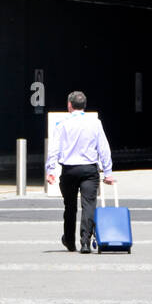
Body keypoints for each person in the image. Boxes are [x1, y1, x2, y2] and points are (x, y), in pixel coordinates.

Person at [46, 90, 114, 253]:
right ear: (84, 105)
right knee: (89, 205)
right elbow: (103, 148)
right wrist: (108, 172)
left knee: (70, 206)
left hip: (69, 170)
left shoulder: (62, 124)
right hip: (89, 170)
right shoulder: (95, 123)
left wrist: (51, 170)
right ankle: (85, 242)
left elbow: (54, 149)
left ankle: (69, 241)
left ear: (69, 105)